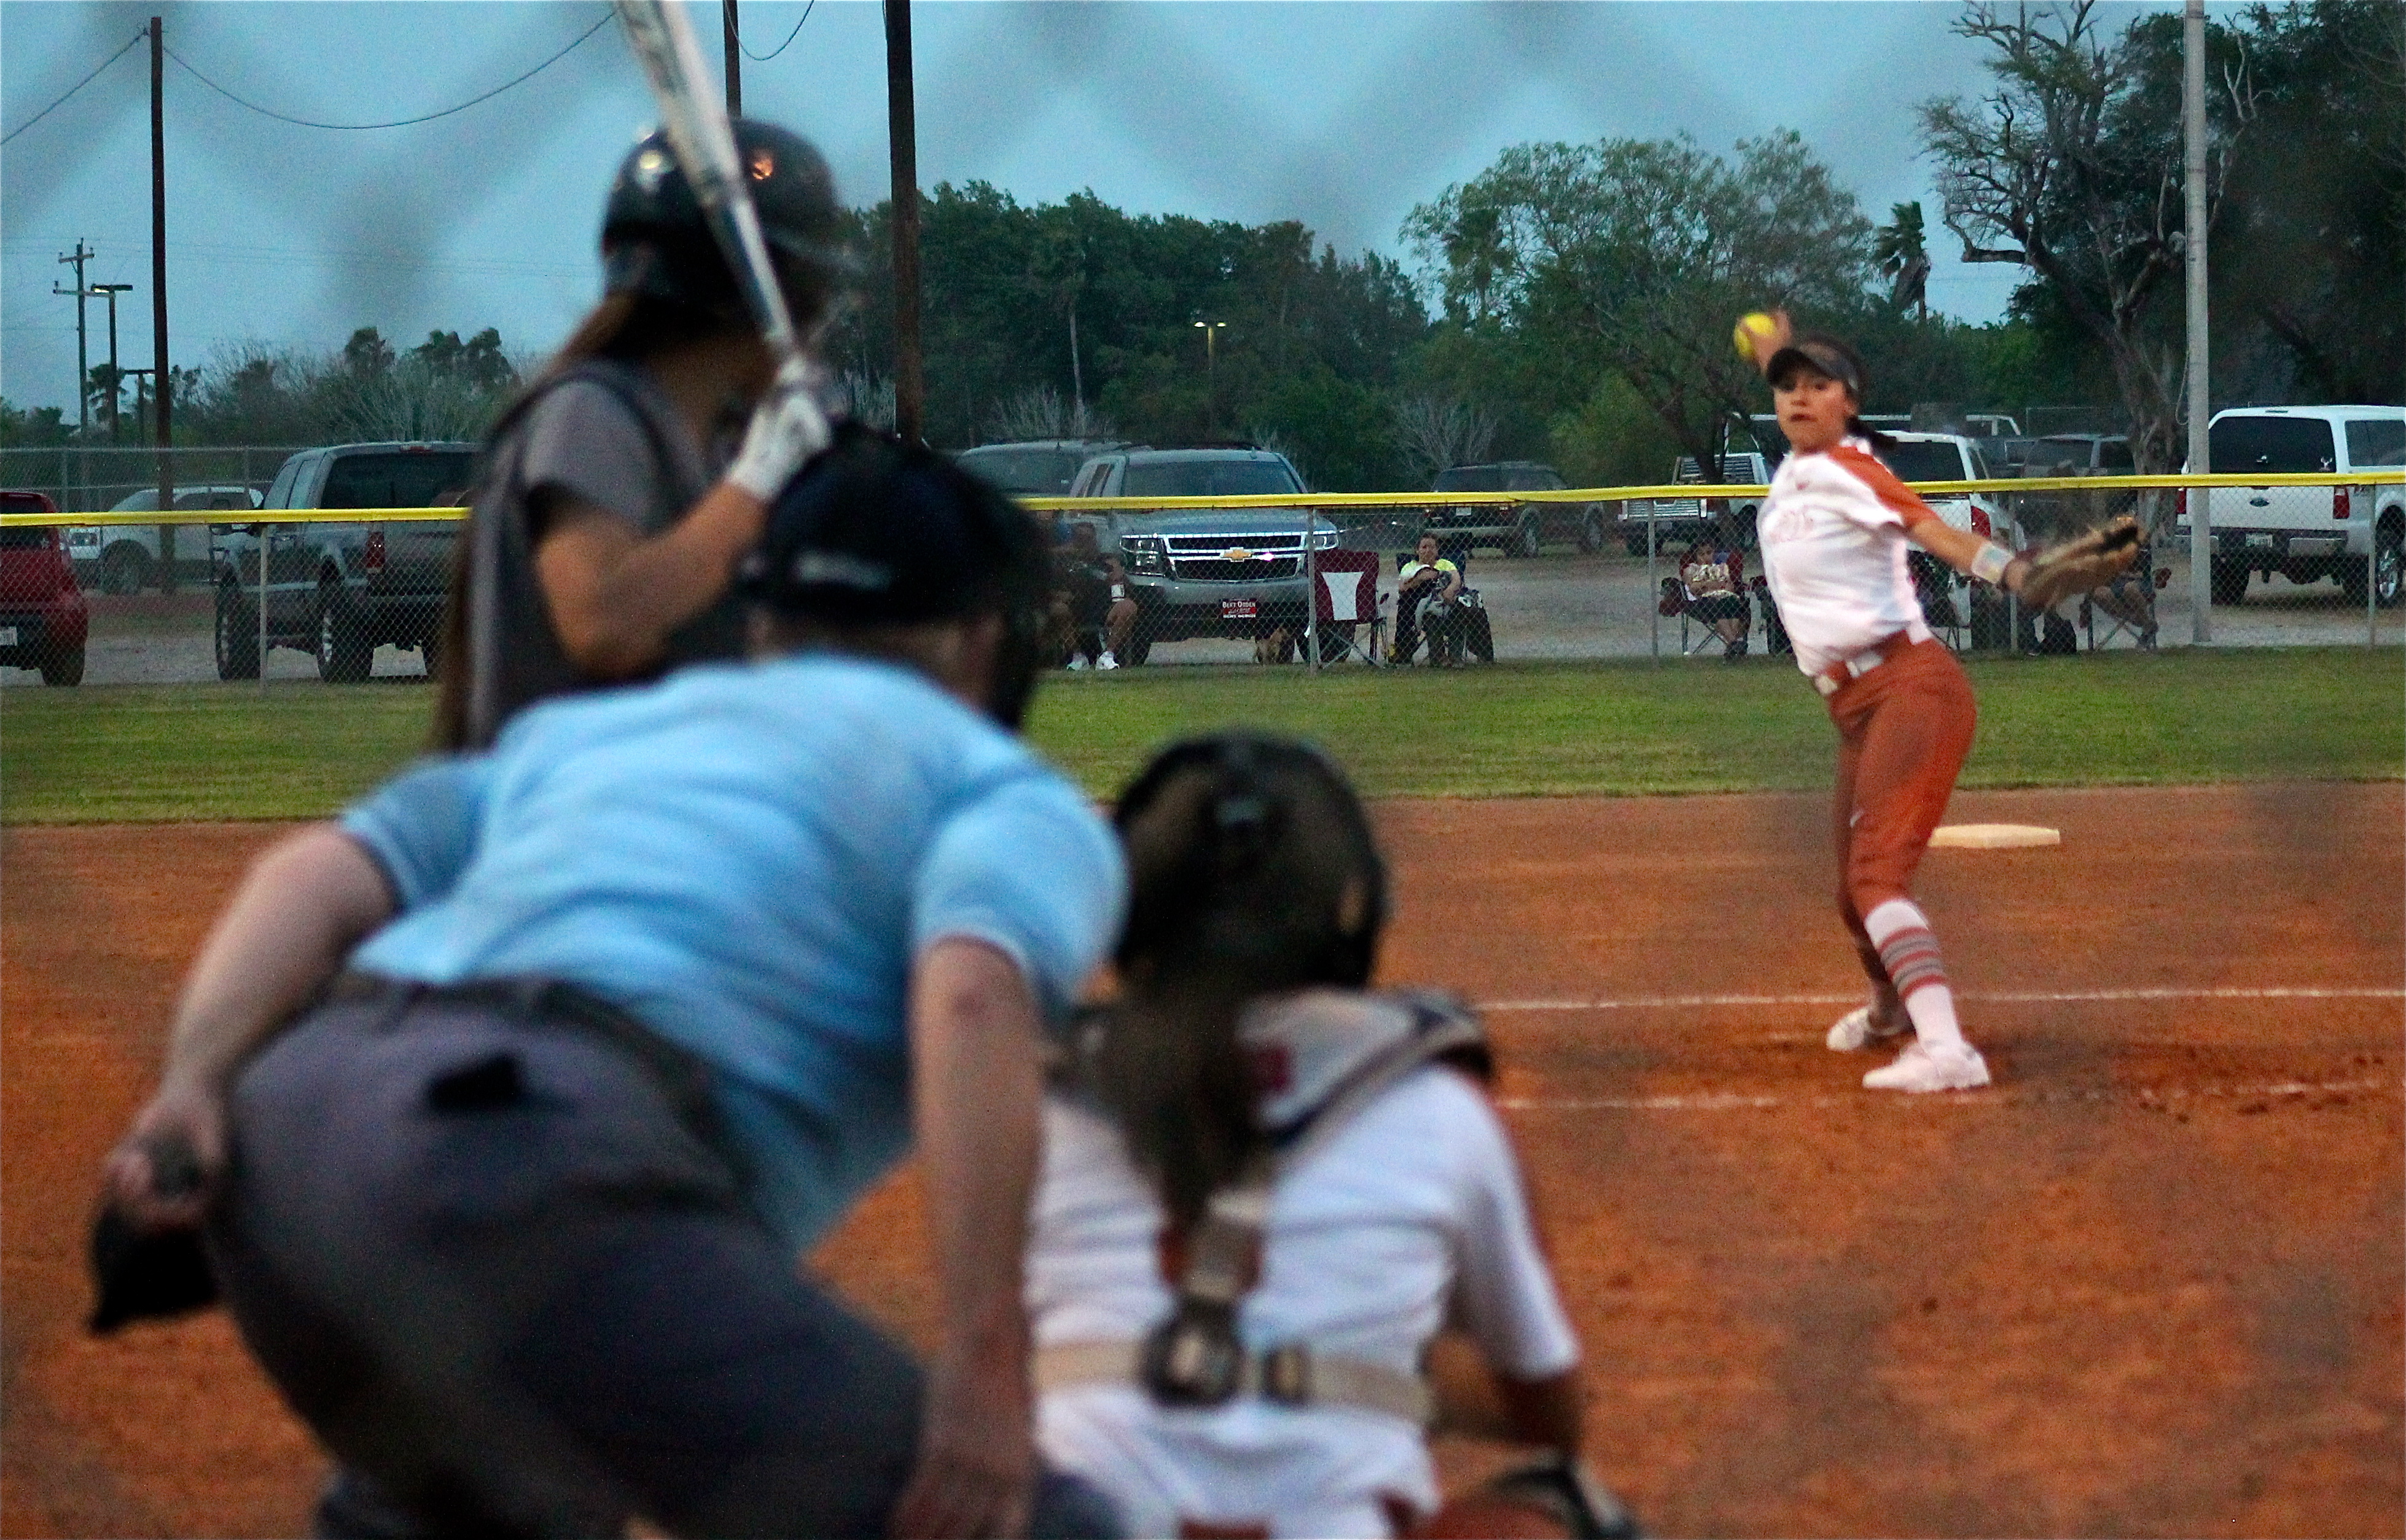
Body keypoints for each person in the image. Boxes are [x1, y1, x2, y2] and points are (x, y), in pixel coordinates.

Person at [101, 430, 1127, 1539]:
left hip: (288, 1144)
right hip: (531, 1167)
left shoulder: (597, 732)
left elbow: (316, 873)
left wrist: (193, 1086)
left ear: (765, 622)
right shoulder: (995, 787)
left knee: (509, 1496)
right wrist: (984, 1360)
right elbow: (972, 995)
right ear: (981, 639)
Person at [1026, 733, 1613, 1538]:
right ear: (1352, 907)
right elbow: (1551, 1411)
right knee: (1561, 1515)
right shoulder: (1436, 1107)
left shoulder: (1039, 1109)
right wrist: (1361, 1365)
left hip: (1092, 1522)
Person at [434, 119, 851, 749]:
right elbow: (603, 626)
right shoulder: (592, 414)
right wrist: (758, 480)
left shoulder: (712, 442)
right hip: (564, 818)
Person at [1739, 315, 2063, 1093]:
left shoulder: (1851, 468)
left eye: (1819, 385)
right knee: (1849, 890)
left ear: (1850, 403)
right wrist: (1772, 352)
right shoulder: (1793, 476)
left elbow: (1931, 529)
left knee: (1877, 875)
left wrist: (2015, 574)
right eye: (1787, 387)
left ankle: (1946, 1047)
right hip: (1855, 706)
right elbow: (1787, 389)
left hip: (1909, 689)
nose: (1798, 397)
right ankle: (1888, 1011)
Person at [1056, 522, 1138, 670]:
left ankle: (1107, 656)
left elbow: (1124, 584)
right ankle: (1078, 657)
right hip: (1075, 610)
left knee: (1128, 606)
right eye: (1080, 539)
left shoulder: (1106, 561)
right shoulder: (1064, 562)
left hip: (1105, 609)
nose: (1085, 544)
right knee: (1057, 608)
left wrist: (1118, 576)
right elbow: (1052, 590)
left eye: (1089, 539)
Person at [1674, 522, 1752, 659]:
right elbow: (1694, 589)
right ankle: (1734, 643)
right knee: (1714, 606)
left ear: (1714, 553)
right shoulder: (1691, 569)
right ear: (1696, 556)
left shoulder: (1721, 567)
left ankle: (1732, 646)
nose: (1705, 557)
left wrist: (1708, 584)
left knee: (1733, 602)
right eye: (1701, 554)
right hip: (1703, 601)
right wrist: (1715, 584)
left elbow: (1730, 587)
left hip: (1724, 597)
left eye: (1709, 553)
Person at [1391, 534, 1464, 666]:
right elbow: (1402, 588)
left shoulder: (1445, 564)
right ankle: (1408, 654)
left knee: (1461, 607)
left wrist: (1449, 590)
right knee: (1410, 601)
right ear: (1417, 550)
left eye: (1432, 547)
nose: (1428, 551)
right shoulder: (1410, 566)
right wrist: (1420, 578)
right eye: (1424, 547)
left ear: (1437, 550)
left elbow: (1457, 580)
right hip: (1417, 605)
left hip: (1445, 602)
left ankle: (1456, 658)